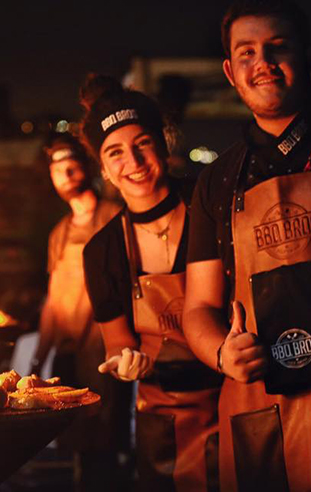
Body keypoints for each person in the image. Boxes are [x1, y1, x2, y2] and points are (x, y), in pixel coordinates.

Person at [183, 1, 311, 490]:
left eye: (277, 47)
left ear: (308, 55)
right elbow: (199, 307)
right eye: (247, 52)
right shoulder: (217, 180)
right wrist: (222, 354)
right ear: (230, 71)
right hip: (255, 410)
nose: (262, 63)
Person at [80, 74, 223, 491]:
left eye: (142, 144)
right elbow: (117, 342)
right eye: (116, 153)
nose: (135, 163)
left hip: (238, 399)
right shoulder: (102, 251)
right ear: (104, 170)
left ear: (164, 142)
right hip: (162, 422)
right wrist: (126, 361)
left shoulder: (211, 207)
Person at [32, 132, 133, 491]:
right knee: (77, 449)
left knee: (105, 452)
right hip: (68, 358)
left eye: (73, 165)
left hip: (106, 355)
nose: (67, 174)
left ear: (88, 167)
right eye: (58, 168)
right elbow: (54, 301)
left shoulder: (114, 217)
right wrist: (37, 360)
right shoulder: (58, 233)